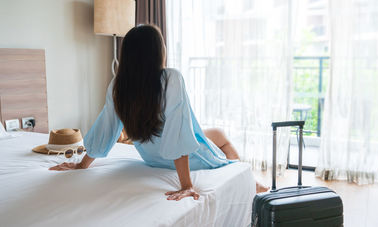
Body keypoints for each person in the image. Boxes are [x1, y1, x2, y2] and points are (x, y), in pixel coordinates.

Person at [50, 24, 268, 200]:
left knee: (214, 134)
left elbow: (105, 130)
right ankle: (247, 180)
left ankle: (248, 178)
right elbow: (178, 133)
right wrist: (186, 185)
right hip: (189, 159)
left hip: (152, 158)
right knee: (221, 140)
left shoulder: (118, 84)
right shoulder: (171, 78)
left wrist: (82, 165)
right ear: (157, 52)